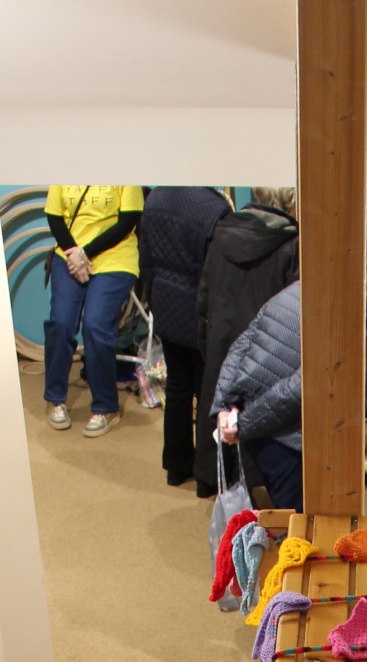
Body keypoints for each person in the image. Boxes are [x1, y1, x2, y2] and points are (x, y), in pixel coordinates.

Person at [213, 231, 367, 511]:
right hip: (287, 443)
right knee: (301, 526)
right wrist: (243, 426)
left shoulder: (301, 286)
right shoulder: (347, 319)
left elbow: (240, 346)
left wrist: (224, 408)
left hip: (260, 432)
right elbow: (299, 390)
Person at [194, 189, 300, 496]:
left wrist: (206, 341)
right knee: (258, 417)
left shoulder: (222, 233)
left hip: (221, 337)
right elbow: (294, 309)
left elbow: (204, 295)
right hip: (266, 347)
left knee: (219, 408)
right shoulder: (293, 245)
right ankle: (255, 491)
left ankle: (211, 480)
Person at [138, 186, 230, 492]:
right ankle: (206, 477)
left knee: (177, 387)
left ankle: (176, 467)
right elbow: (215, 273)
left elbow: (145, 258)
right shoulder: (215, 209)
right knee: (206, 393)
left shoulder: (155, 198)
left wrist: (155, 299)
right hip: (200, 312)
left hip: (165, 304)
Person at [43, 185, 144, 438]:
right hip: (68, 255)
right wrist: (74, 254)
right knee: (61, 323)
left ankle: (106, 407)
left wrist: (86, 253)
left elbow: (127, 221)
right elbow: (54, 216)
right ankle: (55, 399)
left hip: (115, 257)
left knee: (95, 323)